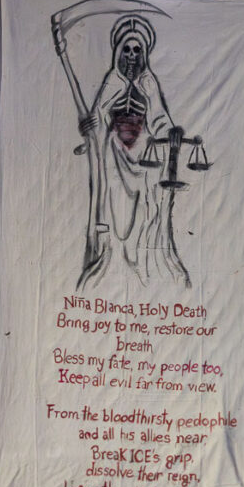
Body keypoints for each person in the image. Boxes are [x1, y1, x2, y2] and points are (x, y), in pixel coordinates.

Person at [77, 14, 194, 288]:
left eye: (136, 50)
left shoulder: (149, 83)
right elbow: (96, 119)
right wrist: (89, 126)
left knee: (144, 211)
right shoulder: (111, 82)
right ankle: (114, 264)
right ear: (118, 51)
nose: (131, 55)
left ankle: (142, 263)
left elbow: (160, 118)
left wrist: (170, 131)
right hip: (114, 157)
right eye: (127, 49)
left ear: (144, 53)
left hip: (144, 157)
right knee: (114, 209)